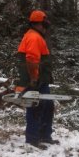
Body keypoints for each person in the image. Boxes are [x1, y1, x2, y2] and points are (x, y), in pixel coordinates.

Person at [15, 10, 59, 148]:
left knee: (47, 106)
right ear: (39, 23)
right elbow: (32, 60)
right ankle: (33, 139)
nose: (46, 26)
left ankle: (45, 135)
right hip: (35, 80)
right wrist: (34, 78)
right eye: (44, 23)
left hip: (41, 80)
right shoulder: (34, 37)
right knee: (36, 107)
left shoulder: (36, 36)